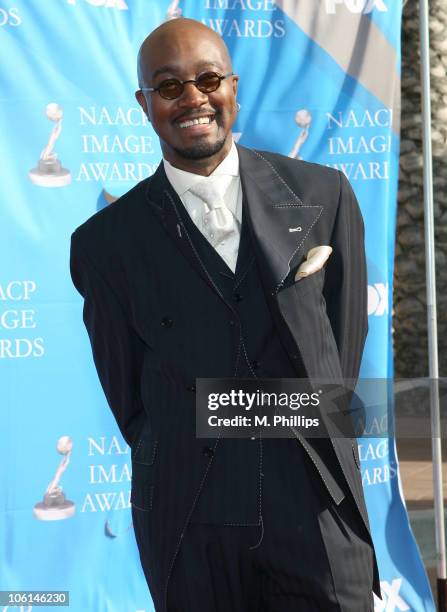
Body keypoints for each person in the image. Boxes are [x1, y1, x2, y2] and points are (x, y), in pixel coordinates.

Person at [70, 17, 380, 612]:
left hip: (315, 499)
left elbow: (341, 348)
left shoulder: (324, 194)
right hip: (191, 515)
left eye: (208, 79)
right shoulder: (105, 244)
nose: (193, 98)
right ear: (144, 104)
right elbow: (131, 401)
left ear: (233, 87)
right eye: (169, 87)